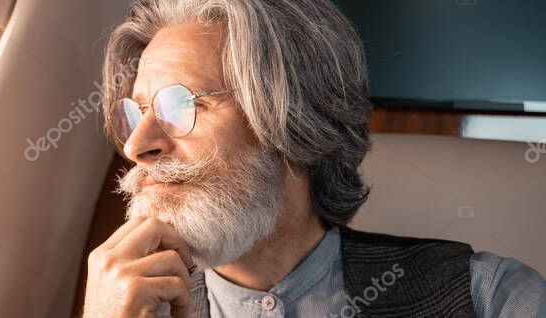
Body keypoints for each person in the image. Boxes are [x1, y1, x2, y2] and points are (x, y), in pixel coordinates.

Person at [81, 0, 546, 317]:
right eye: (135, 112)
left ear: (292, 120)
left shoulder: (490, 298)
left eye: (180, 105)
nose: (136, 146)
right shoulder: (125, 307)